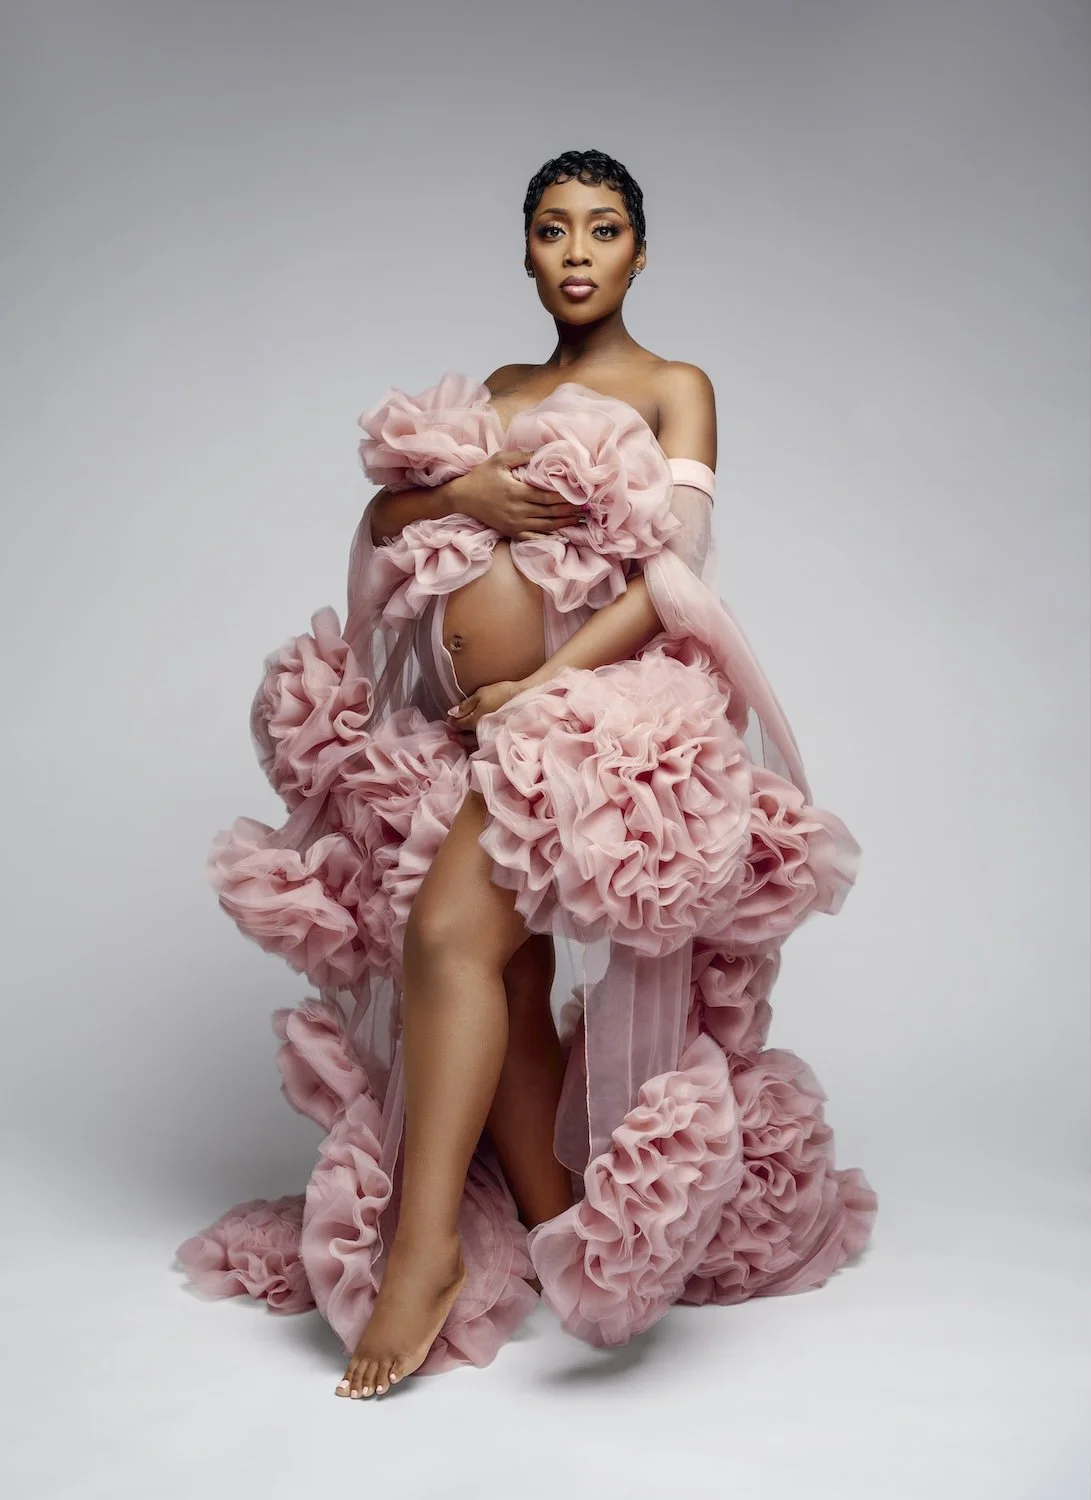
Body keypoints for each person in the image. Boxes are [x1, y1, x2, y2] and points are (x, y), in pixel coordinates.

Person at [176, 148, 878, 1401]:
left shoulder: (675, 386)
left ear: (638, 252)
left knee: (446, 939)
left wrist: (543, 690)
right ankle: (555, 1224)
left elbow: (679, 580)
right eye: (551, 229)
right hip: (470, 731)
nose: (574, 252)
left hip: (594, 723)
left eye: (601, 230)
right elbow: (392, 525)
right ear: (524, 249)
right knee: (498, 970)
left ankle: (426, 1253)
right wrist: (484, 493)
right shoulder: (496, 393)